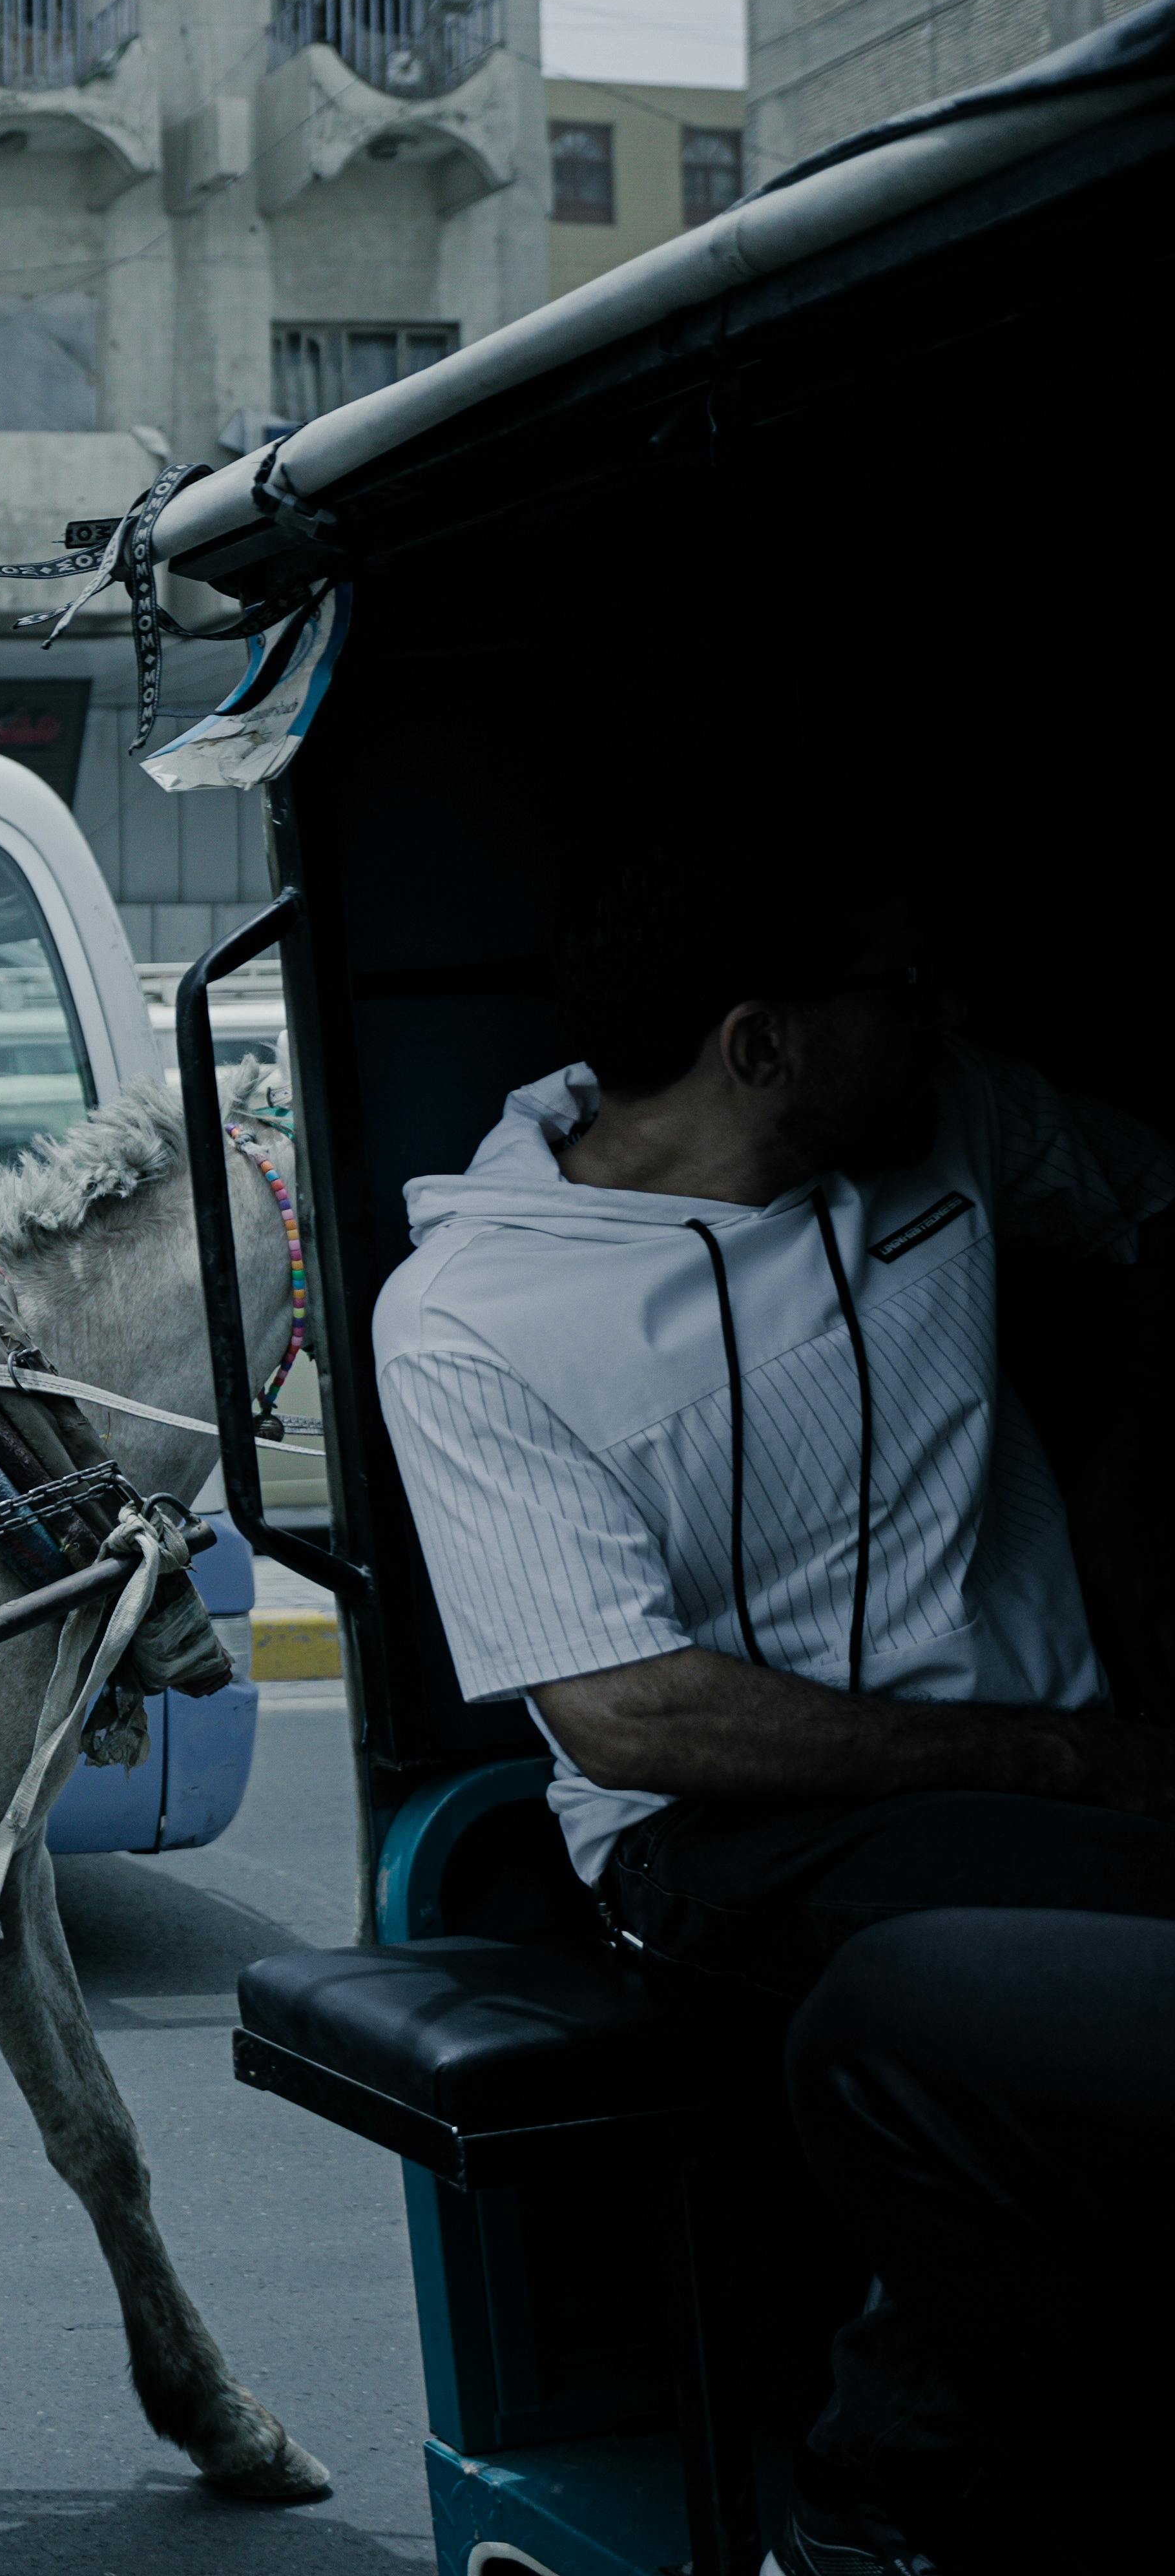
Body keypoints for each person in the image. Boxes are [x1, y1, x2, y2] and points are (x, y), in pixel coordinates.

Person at [373, 828, 1175, 2573]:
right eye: (894, 985)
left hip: (1061, 1779)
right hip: (716, 1847)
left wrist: (1114, 1494)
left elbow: (1152, 1218)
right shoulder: (467, 1317)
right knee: (1025, 1938)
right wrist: (1053, 1752)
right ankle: (880, 2511)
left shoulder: (944, 1117)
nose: (937, 1012)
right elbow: (628, 1718)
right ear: (762, 1042)